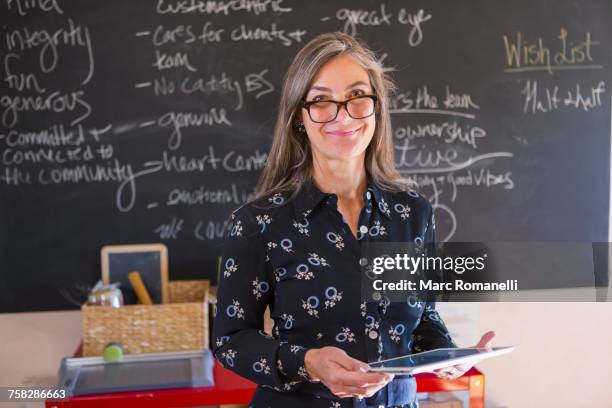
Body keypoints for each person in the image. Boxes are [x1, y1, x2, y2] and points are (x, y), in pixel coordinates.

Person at [212, 31, 495, 408]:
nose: (342, 115)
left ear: (376, 106)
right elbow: (230, 340)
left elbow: (421, 316)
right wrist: (309, 363)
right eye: (321, 101)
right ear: (299, 116)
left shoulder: (413, 213)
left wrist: (447, 355)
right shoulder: (259, 223)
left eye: (357, 96)